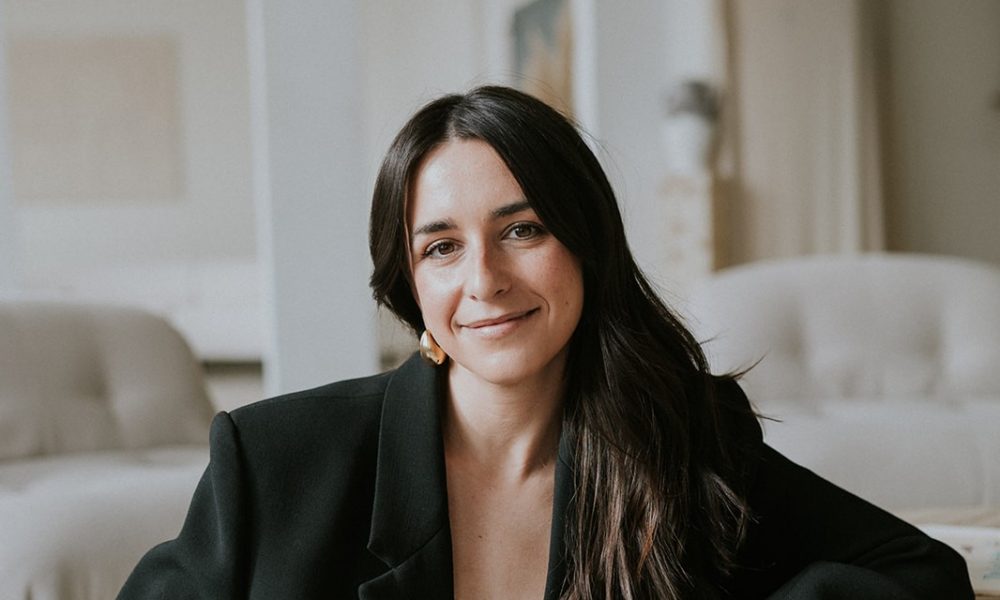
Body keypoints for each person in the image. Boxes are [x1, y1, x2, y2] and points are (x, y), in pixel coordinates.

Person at [118, 86, 973, 599]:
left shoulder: (683, 436)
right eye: (441, 247)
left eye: (522, 230)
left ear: (585, 242)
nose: (484, 279)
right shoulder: (274, 461)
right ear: (408, 282)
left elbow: (920, 573)